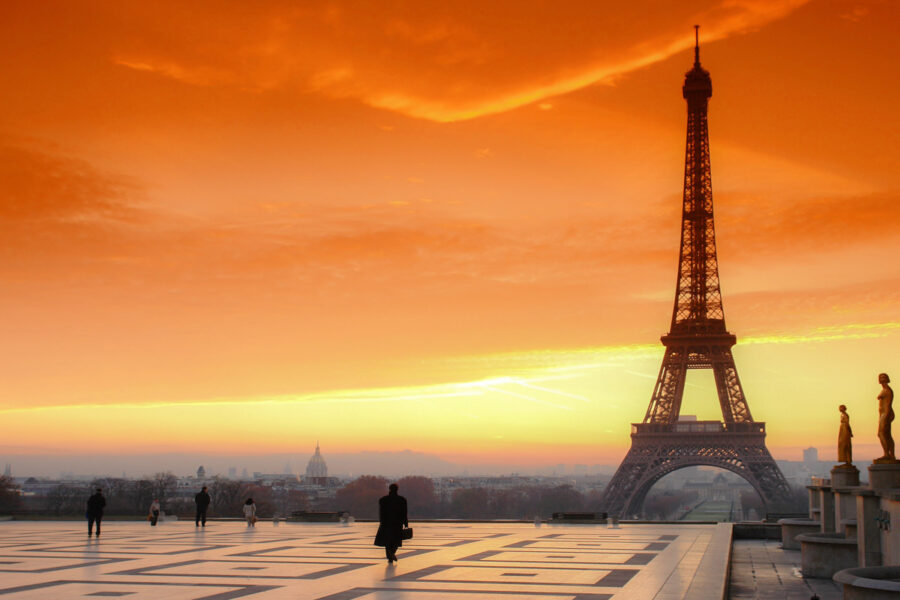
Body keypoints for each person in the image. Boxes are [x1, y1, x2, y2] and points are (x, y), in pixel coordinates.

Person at [374, 483, 408, 564]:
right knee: (396, 540)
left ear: (389, 489)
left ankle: (390, 555)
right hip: (397, 523)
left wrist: (382, 521)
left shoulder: (383, 500)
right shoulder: (402, 500)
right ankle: (391, 553)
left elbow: (381, 512)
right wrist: (405, 522)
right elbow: (404, 513)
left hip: (386, 523)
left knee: (387, 540)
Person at [877, 373, 895, 462]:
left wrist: (886, 416)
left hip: (885, 414)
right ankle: (891, 454)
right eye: (880, 377)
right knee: (887, 435)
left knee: (881, 433)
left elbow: (887, 405)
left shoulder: (887, 390)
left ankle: (887, 454)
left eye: (883, 377)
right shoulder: (884, 389)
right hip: (884, 414)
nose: (881, 379)